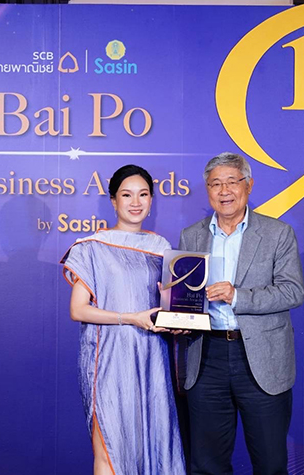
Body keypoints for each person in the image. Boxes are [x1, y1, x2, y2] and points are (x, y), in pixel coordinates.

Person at [178, 152, 304, 475]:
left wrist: (237, 296)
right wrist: (179, 317)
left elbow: (293, 291)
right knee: (206, 465)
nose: (224, 191)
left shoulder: (278, 233)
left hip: (261, 360)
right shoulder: (191, 235)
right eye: (215, 184)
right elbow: (186, 295)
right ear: (207, 190)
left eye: (232, 182)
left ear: (248, 185)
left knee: (270, 464)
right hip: (206, 357)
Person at [62, 164, 186, 475]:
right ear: (114, 201)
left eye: (143, 194)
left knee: (154, 444)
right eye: (127, 195)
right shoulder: (92, 247)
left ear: (151, 200)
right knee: (111, 448)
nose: (136, 202)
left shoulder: (161, 248)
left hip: (152, 359)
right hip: (107, 360)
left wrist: (179, 320)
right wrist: (130, 318)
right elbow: (78, 310)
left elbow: (167, 306)